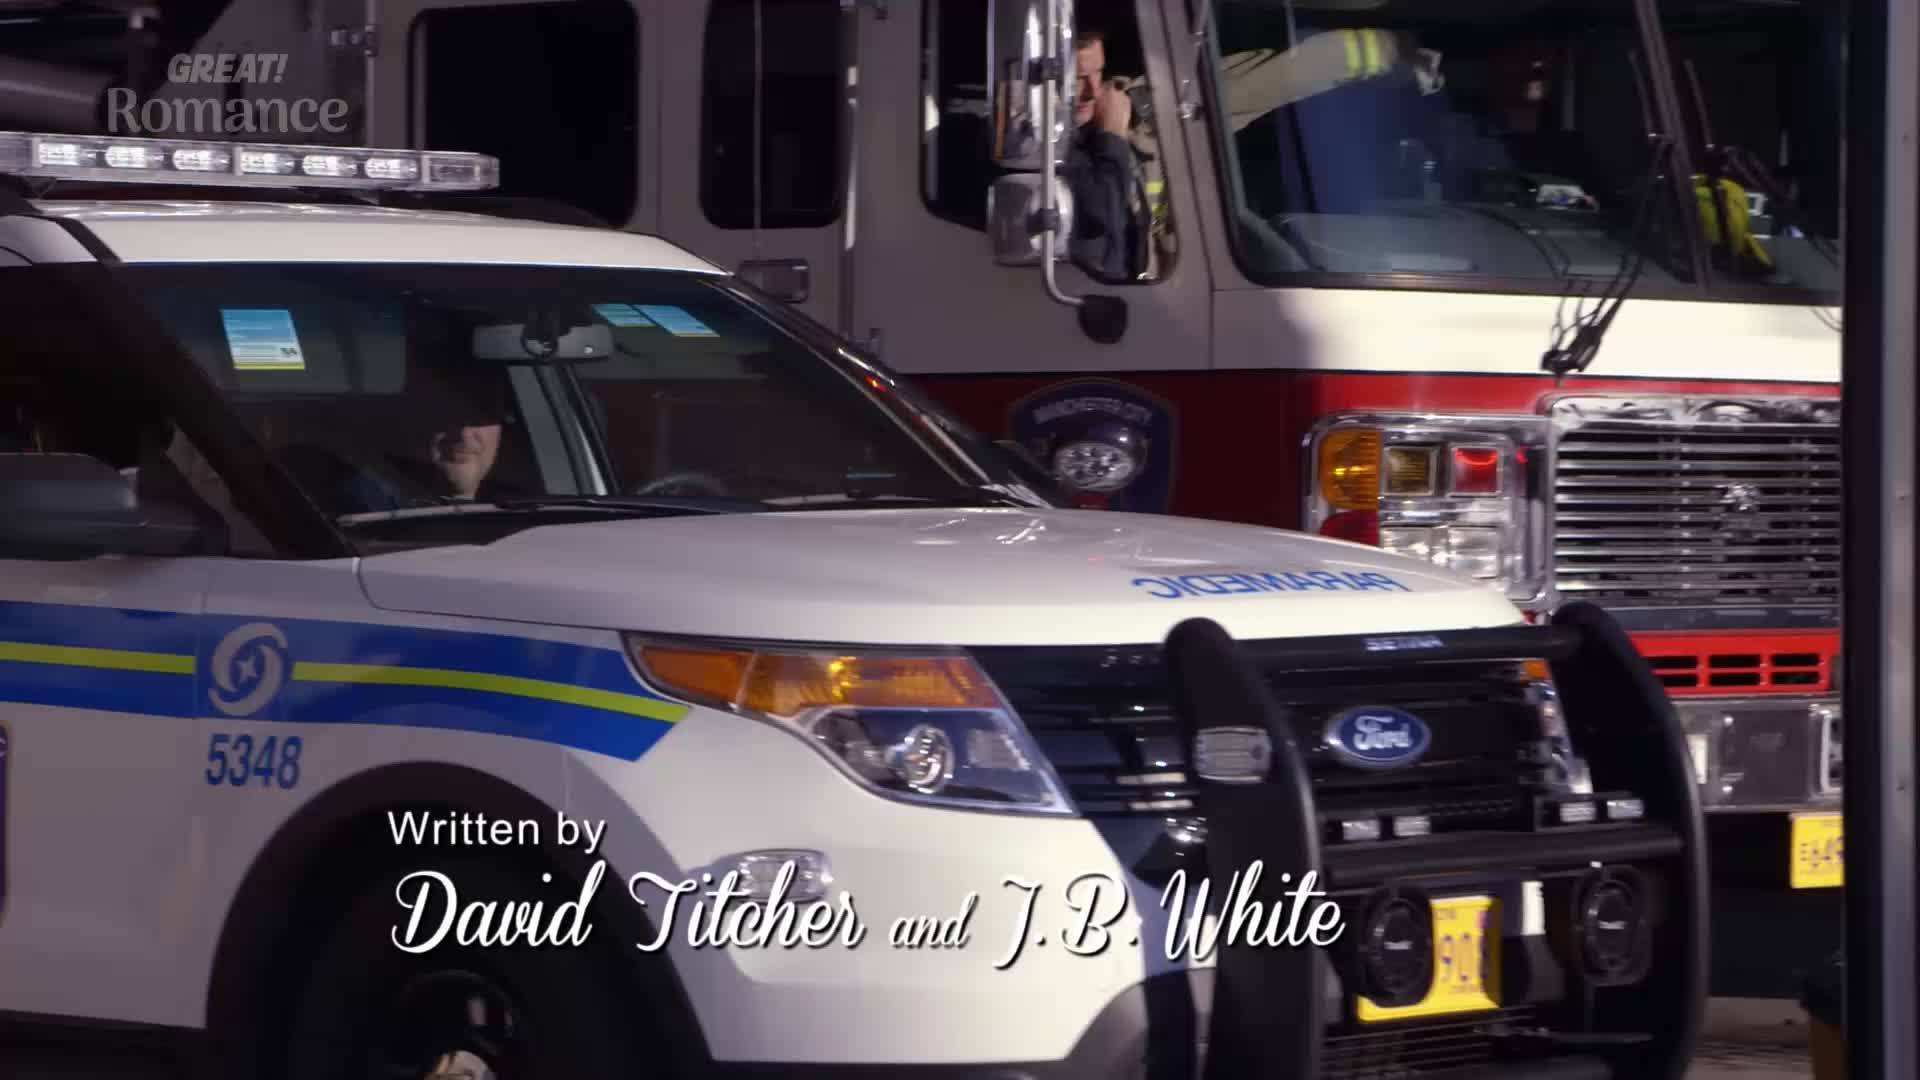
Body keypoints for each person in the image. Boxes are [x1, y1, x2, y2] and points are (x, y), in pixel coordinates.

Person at [1063, 30, 1149, 282]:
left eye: (1098, 72)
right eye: (1078, 78)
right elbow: (1103, 211)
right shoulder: (1044, 146)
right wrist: (1112, 133)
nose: (1092, 91)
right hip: (1089, 291)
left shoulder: (1096, 131)